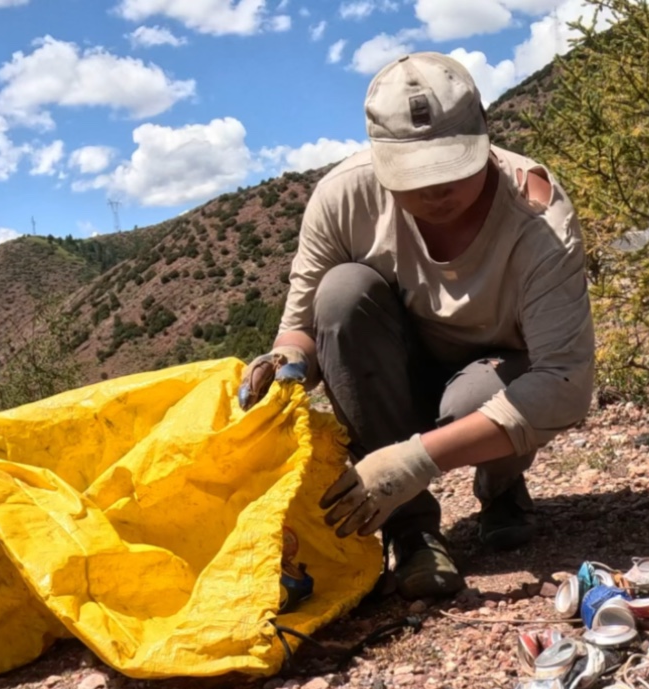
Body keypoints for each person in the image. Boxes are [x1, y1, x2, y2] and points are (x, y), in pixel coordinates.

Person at [239, 53, 595, 600]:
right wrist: (284, 365)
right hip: (395, 369)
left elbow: (564, 382)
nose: (437, 192)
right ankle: (412, 532)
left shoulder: (537, 220)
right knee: (342, 293)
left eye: (454, 168)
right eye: (415, 176)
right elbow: (304, 326)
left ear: (484, 135)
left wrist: (415, 459)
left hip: (491, 377)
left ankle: (500, 484)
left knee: (472, 398)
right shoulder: (343, 198)